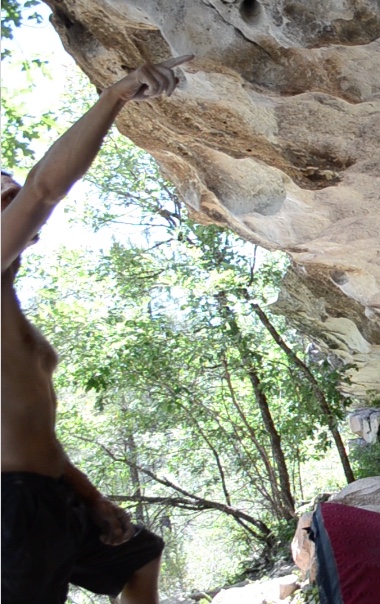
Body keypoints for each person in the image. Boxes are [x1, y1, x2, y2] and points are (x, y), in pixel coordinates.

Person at [2, 54, 194, 604]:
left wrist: (91, 499)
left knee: (140, 554)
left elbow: (33, 432)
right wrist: (115, 96)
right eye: (4, 197)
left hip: (47, 495)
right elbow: (44, 189)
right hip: (11, 508)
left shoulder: (9, 301)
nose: (15, 201)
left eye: (12, 194)